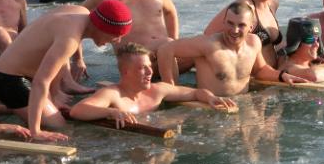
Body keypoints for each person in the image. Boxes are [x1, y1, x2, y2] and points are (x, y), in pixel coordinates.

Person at [0, 0, 132, 141]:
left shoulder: (80, 13)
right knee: (58, 125)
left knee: (53, 112)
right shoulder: (70, 40)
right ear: (102, 27)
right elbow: (40, 82)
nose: (117, 41)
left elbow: (55, 59)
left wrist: (54, 95)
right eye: (116, 35)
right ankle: (8, 120)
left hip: (23, 73)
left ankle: (10, 109)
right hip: (9, 80)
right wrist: (36, 131)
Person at [157, 1, 306, 96]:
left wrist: (282, 76)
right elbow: (165, 50)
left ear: (251, 27)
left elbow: (260, 70)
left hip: (242, 108)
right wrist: (172, 90)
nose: (234, 30)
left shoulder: (254, 43)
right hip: (212, 111)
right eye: (230, 23)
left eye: (241, 25)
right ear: (223, 22)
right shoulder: (208, 45)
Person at [70, 43, 236, 125]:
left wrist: (212, 98)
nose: (150, 73)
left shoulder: (157, 90)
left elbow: (195, 93)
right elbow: (77, 111)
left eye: (150, 67)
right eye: (143, 68)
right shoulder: (112, 94)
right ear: (126, 72)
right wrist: (111, 112)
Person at [204, 0, 283, 68]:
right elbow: (208, 34)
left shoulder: (273, 4)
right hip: (253, 78)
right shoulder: (243, 7)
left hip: (273, 74)